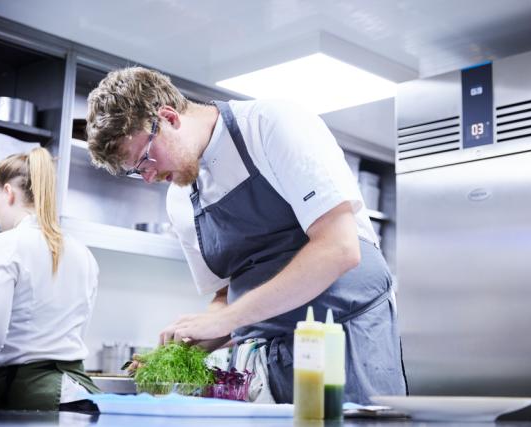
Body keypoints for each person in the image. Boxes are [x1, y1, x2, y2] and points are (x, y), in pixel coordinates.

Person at [85, 67, 407, 403]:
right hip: (268, 363)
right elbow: (227, 295)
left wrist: (227, 318)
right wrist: (193, 339)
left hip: (348, 342)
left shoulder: (272, 125)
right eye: (136, 173)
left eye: (145, 160)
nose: (148, 177)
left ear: (169, 119)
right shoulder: (180, 201)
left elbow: (339, 248)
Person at [0, 148, 100, 410]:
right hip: (82, 395)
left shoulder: (3, 245)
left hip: (30, 399)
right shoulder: (84, 253)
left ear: (8, 193)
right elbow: (76, 334)